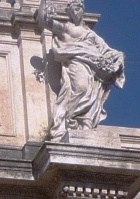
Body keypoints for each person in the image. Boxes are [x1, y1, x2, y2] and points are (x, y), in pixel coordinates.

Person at [38, 0, 126, 140]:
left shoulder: (90, 34)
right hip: (77, 62)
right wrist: (44, 9)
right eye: (74, 9)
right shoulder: (67, 28)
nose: (77, 12)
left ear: (82, 11)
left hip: (94, 67)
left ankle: (86, 123)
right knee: (81, 88)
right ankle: (67, 117)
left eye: (79, 9)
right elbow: (44, 22)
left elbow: (106, 50)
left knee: (92, 94)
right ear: (69, 13)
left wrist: (118, 56)